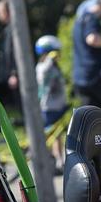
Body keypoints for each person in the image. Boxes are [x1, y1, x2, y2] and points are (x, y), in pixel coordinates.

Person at [35, 34, 68, 167]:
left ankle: (59, 160)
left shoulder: (53, 66)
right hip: (49, 106)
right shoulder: (43, 67)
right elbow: (43, 76)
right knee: (49, 135)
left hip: (58, 105)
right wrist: (49, 59)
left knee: (58, 135)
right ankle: (49, 161)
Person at [0, 0, 18, 104]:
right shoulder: (9, 29)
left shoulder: (14, 29)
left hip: (16, 74)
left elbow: (13, 52)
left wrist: (14, 73)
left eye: (0, 11)